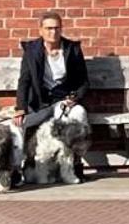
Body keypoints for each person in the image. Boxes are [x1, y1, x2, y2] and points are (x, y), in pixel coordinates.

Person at [11, 11, 90, 184]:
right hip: (38, 104)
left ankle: (76, 164)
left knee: (79, 114)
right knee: (16, 125)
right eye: (48, 28)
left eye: (56, 28)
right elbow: (24, 81)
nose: (52, 32)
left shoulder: (72, 49)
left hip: (63, 101)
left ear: (61, 29)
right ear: (40, 30)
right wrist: (20, 108)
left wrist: (74, 97)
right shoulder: (31, 50)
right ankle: (15, 170)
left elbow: (84, 82)